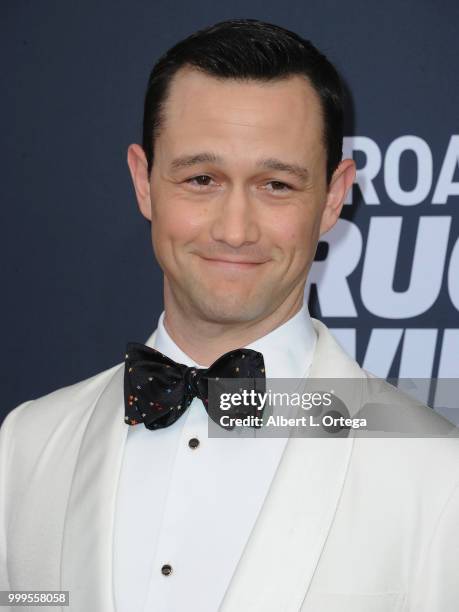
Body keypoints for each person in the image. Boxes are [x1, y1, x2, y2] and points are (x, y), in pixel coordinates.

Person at [1, 18, 458, 612]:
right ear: (144, 182)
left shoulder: (437, 472)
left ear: (334, 196)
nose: (234, 230)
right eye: (201, 179)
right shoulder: (27, 446)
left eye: (276, 185)